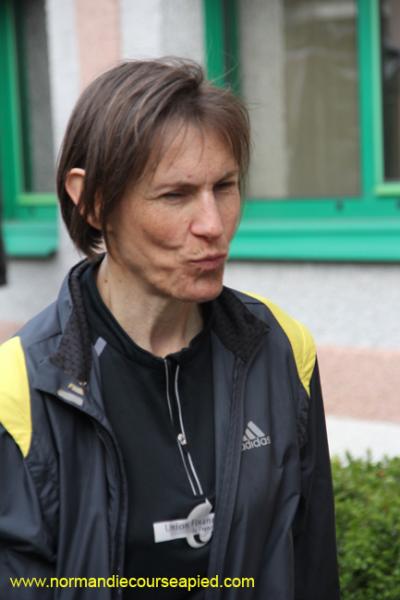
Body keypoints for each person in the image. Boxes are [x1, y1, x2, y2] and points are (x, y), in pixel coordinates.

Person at [0, 59, 340, 599]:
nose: (213, 225)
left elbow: (312, 567)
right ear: (91, 200)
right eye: (175, 195)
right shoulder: (18, 392)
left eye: (224, 186)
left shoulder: (282, 348)